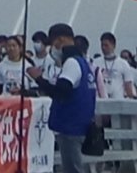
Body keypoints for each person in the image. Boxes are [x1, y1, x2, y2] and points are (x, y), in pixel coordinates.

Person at [35, 24, 96, 173]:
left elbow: (61, 91)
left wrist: (39, 79)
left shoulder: (72, 63)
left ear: (60, 40)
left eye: (53, 43)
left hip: (70, 127)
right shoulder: (83, 63)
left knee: (72, 169)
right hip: (80, 124)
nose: (52, 49)